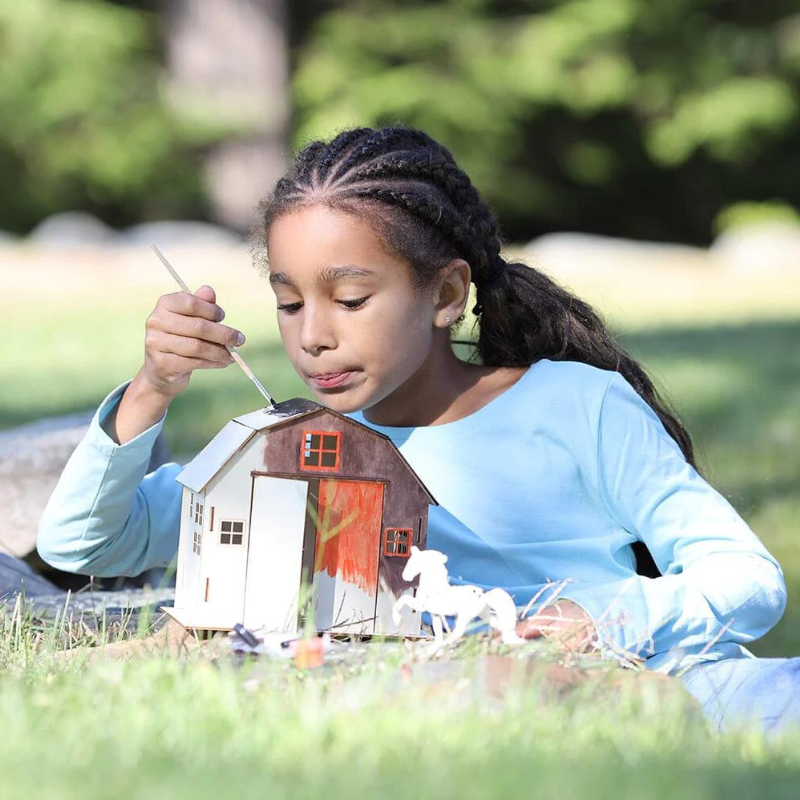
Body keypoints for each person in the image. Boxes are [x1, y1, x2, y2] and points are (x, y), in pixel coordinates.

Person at [37, 125, 797, 736]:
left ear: (446, 293)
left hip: (658, 673)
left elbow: (749, 581)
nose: (314, 337)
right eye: (290, 303)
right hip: (456, 698)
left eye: (352, 299)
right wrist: (151, 389)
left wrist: (598, 618)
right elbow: (84, 546)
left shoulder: (576, 405)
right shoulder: (299, 449)